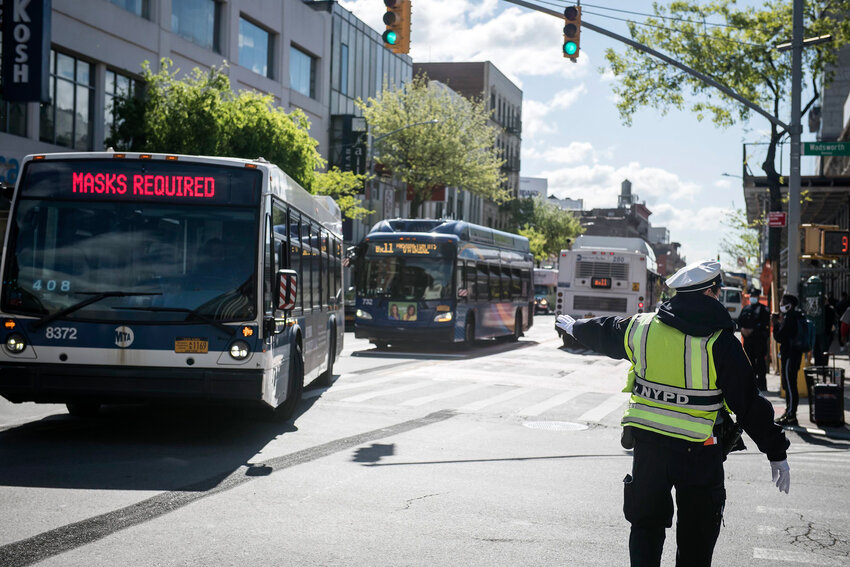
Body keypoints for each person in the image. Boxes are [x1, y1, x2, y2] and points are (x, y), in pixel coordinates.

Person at [555, 260, 790, 567]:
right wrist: (776, 451)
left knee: (646, 527)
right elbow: (747, 403)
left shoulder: (643, 327)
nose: (719, 297)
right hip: (700, 454)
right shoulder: (720, 343)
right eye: (717, 292)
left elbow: (608, 331)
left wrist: (575, 327)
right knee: (695, 540)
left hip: (649, 450)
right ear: (708, 293)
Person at [772, 294, 805, 426]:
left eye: (783, 302)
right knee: (789, 384)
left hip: (790, 356)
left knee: (790, 386)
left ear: (789, 305)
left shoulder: (790, 317)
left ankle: (791, 415)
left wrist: (775, 325)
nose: (780, 304)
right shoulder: (795, 316)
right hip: (793, 355)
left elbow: (780, 337)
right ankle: (789, 412)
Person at [737, 288, 771, 391]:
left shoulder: (763, 309)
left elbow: (765, 325)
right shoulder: (746, 308)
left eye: (754, 296)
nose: (752, 298)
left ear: (758, 297)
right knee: (749, 363)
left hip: (759, 341)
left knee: (760, 363)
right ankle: (751, 384)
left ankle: (762, 385)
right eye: (751, 296)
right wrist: (742, 329)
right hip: (748, 341)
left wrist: (753, 330)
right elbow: (740, 321)